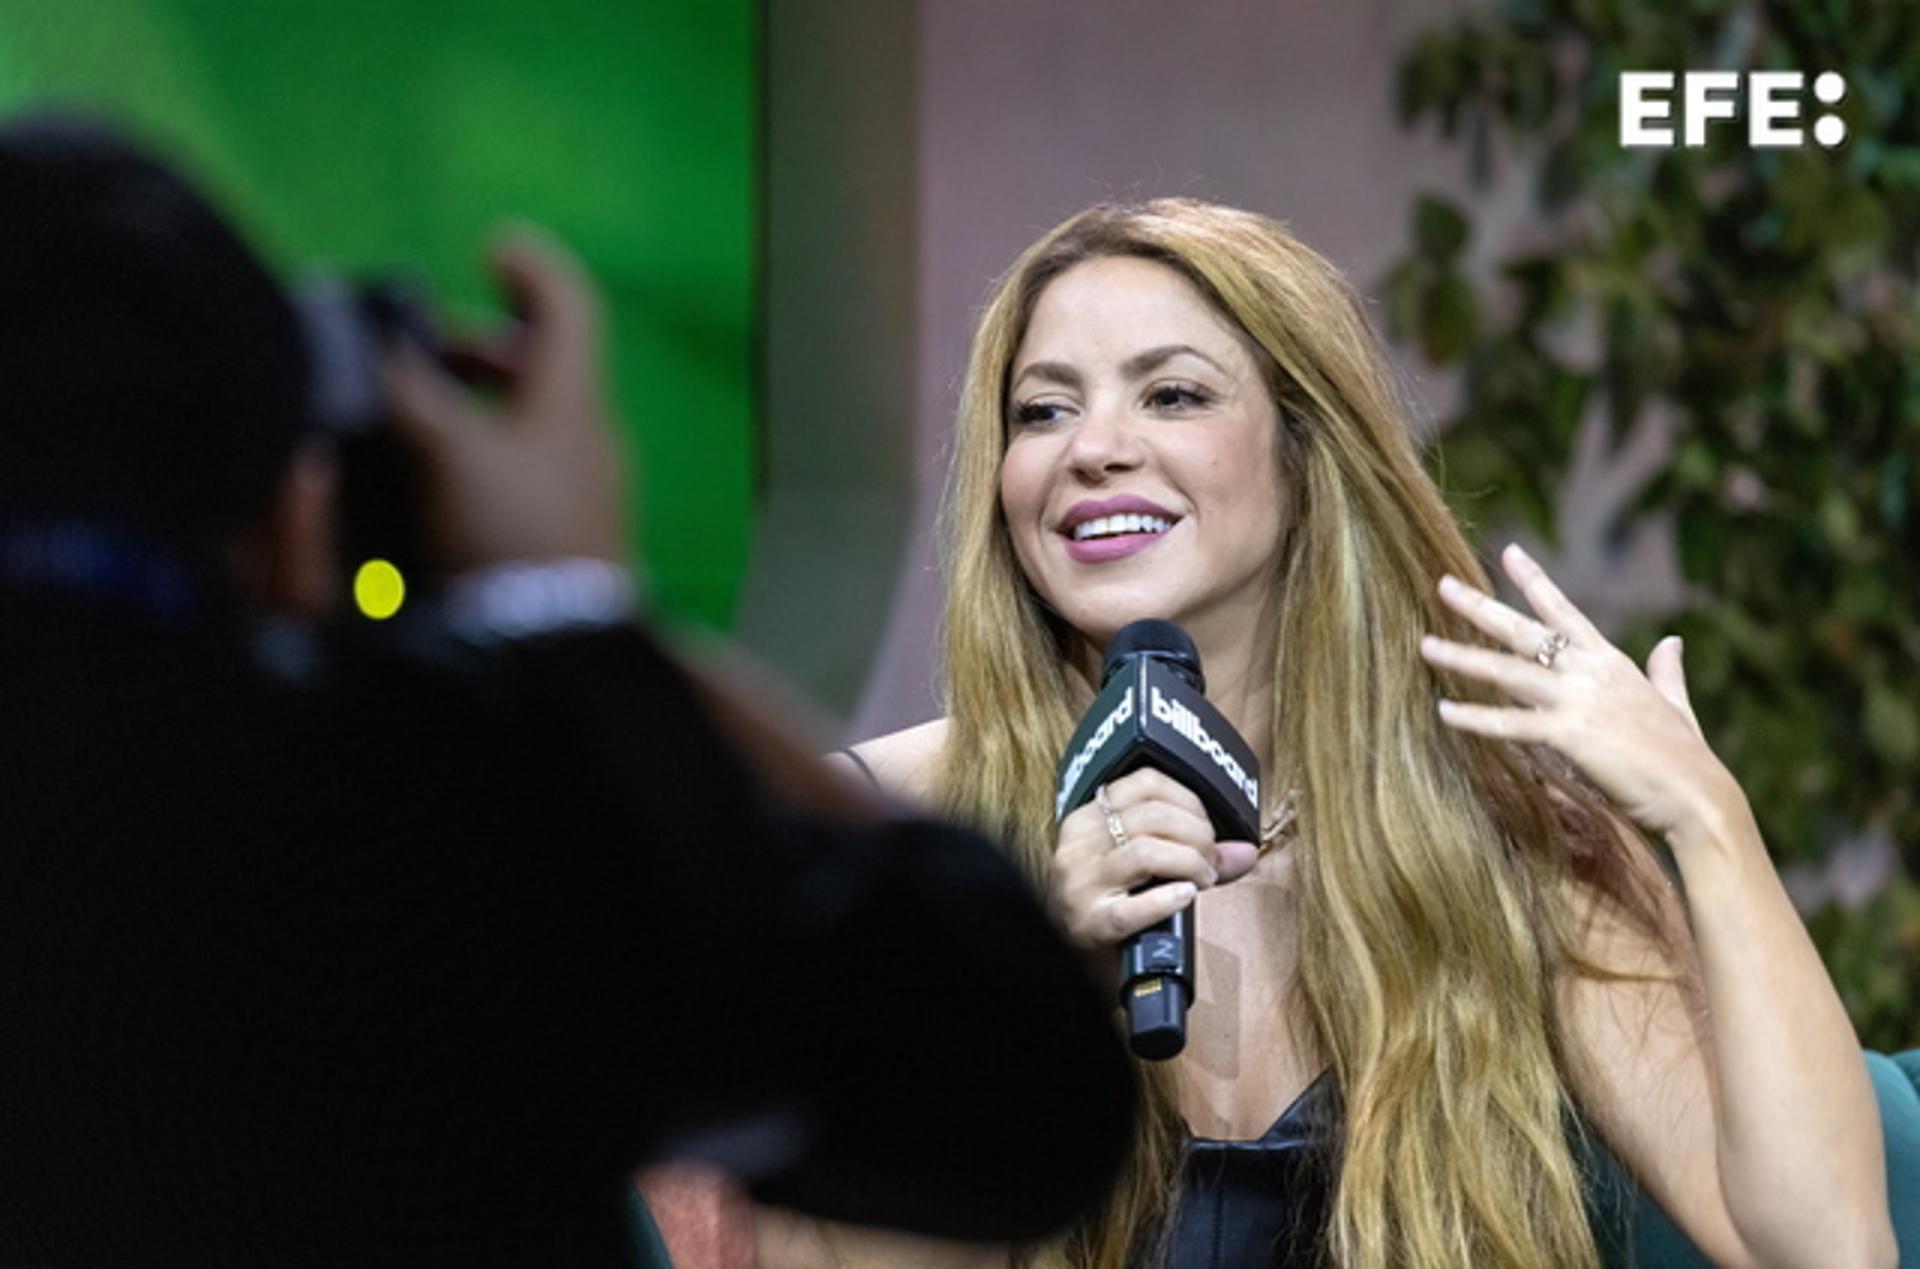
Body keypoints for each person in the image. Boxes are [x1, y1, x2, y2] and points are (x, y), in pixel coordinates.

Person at [0, 114, 1134, 1266]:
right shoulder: (430, 841)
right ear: (295, 516)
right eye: (1044, 408)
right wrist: (570, 606)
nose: (1101, 451)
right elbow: (1017, 1088)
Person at [836, 199, 1897, 1268]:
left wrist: (1708, 815)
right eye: (1043, 411)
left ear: (1306, 453)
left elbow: (1823, 1250)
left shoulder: (1512, 839)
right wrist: (1035, 991)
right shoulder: (882, 832)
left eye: (1173, 394)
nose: (1096, 448)